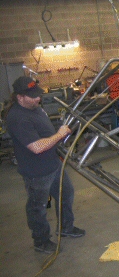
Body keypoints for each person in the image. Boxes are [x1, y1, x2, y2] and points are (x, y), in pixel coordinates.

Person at [5, 76, 85, 254]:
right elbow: (36, 147)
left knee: (66, 193)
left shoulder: (34, 108)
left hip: (53, 164)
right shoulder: (17, 117)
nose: (38, 99)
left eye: (38, 95)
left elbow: (44, 131)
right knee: (38, 207)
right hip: (36, 171)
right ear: (20, 97)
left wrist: (60, 132)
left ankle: (65, 227)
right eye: (33, 96)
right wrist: (59, 135)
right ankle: (41, 241)